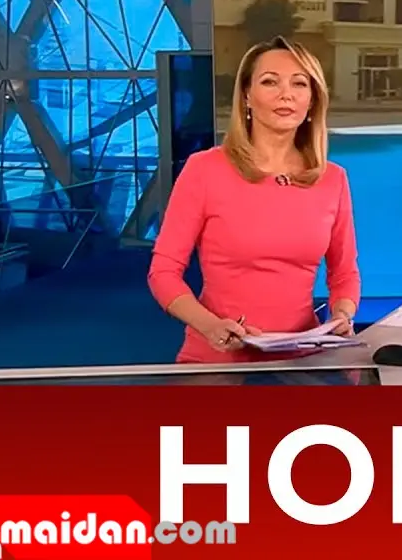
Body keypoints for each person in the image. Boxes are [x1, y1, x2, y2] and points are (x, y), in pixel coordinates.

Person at [148, 36, 361, 363]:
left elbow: (344, 274)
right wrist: (210, 326)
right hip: (218, 356)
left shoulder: (333, 179)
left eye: (299, 83)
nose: (286, 94)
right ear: (247, 96)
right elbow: (163, 272)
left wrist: (342, 316)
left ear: (312, 101)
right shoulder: (204, 169)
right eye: (270, 82)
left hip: (302, 358)